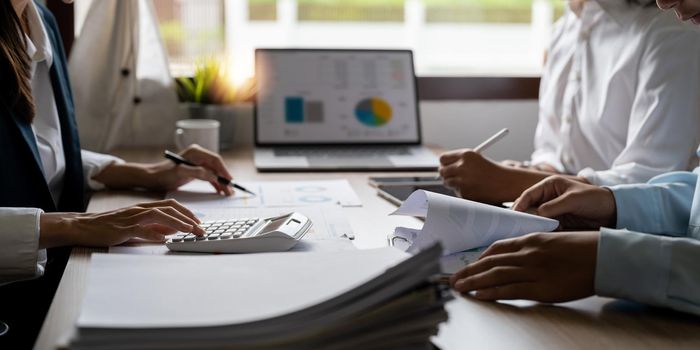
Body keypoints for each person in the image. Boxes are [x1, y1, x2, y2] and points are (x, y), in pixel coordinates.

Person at [0, 0, 235, 346]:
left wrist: (148, 173)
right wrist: (77, 225)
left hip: (46, 286)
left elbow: (38, 154)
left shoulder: (40, 22)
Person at [449, 0, 700, 316]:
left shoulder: (675, 33)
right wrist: (611, 204)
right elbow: (696, 199)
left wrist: (611, 261)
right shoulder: (564, 29)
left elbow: (657, 168)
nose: (665, 2)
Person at [439, 0, 700, 205]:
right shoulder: (565, 29)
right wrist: (532, 170)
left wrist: (513, 182)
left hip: (624, 234)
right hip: (560, 215)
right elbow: (552, 150)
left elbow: (652, 181)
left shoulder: (673, 31)